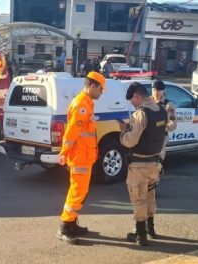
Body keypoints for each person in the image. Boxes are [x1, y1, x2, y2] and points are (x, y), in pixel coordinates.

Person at [57, 71, 106, 244]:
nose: (102, 92)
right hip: (80, 158)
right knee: (77, 192)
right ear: (93, 86)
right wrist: (63, 153)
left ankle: (71, 223)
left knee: (81, 192)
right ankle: (65, 226)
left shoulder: (86, 103)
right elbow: (71, 133)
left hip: (85, 156)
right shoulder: (81, 105)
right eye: (101, 89)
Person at [118, 82, 167, 246]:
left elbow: (131, 141)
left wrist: (123, 131)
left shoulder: (140, 114)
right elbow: (163, 137)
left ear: (136, 96)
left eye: (132, 100)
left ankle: (140, 235)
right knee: (150, 196)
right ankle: (150, 229)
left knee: (139, 199)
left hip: (139, 165)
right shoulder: (161, 111)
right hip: (155, 163)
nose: (132, 103)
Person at [150, 79, 177, 161]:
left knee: (157, 161)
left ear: (163, 91)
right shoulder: (147, 102)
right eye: (154, 90)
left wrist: (159, 127)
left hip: (160, 137)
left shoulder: (169, 105)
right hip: (147, 137)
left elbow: (173, 124)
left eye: (158, 90)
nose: (156, 92)